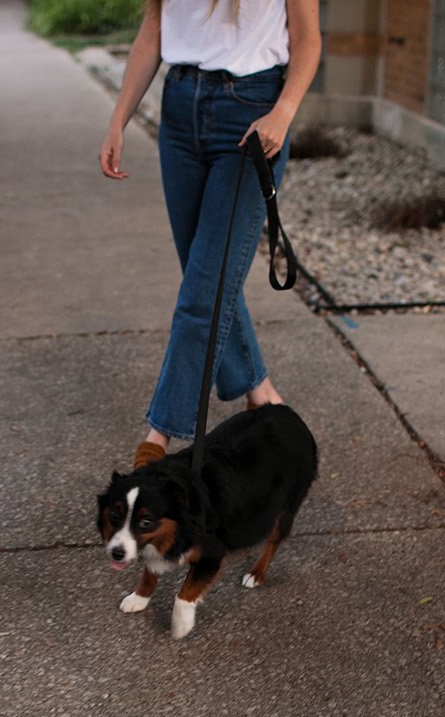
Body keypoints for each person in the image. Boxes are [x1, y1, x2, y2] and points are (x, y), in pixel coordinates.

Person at [99, 0, 319, 468]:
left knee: (204, 292)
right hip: (180, 111)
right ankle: (264, 398)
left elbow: (308, 40)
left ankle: (156, 441)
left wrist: (283, 113)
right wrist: (118, 118)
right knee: (205, 273)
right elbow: (153, 27)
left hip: (252, 118)